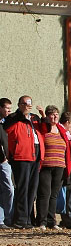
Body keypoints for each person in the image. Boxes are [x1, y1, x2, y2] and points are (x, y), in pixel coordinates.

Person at [3, 95, 43, 228]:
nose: (27, 106)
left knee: (32, 189)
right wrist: (22, 115)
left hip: (35, 155)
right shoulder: (13, 117)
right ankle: (19, 220)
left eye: (29, 104)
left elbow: (44, 129)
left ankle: (28, 219)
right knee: (22, 188)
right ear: (19, 105)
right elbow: (7, 128)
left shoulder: (34, 118)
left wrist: (43, 116)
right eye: (25, 103)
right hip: (21, 156)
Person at [34, 105, 71, 230]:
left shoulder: (62, 131)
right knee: (44, 194)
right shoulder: (44, 129)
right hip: (46, 166)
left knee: (54, 195)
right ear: (47, 116)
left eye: (56, 114)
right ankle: (42, 221)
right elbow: (43, 126)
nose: (54, 116)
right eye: (51, 114)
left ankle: (52, 221)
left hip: (60, 166)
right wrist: (43, 116)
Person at [0, 97, 12, 227]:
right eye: (6, 108)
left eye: (10, 108)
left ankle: (7, 217)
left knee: (9, 189)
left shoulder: (7, 123)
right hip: (2, 160)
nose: (9, 111)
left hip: (5, 161)